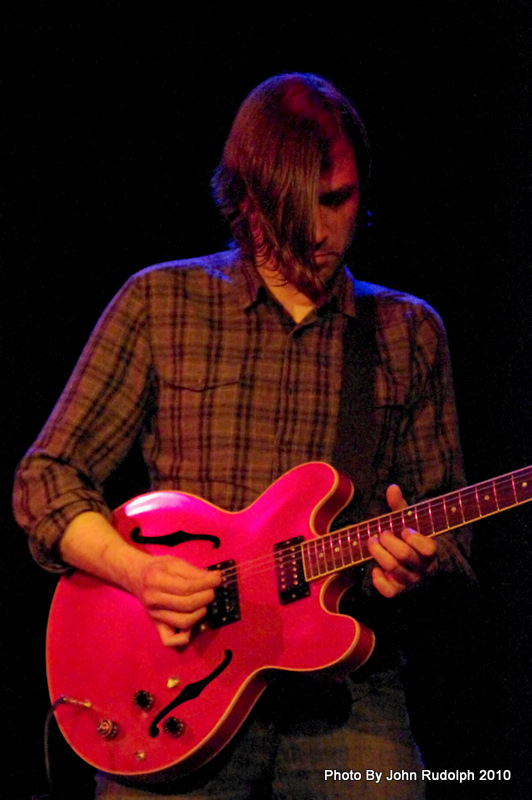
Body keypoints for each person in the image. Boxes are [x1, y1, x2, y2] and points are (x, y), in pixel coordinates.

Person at [13, 73, 473, 799]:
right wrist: (140, 575)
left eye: (337, 200)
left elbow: (451, 536)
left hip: (346, 687)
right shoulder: (161, 301)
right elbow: (46, 477)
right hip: (175, 683)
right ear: (246, 202)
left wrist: (416, 564)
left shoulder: (408, 331)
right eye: (293, 208)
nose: (318, 232)